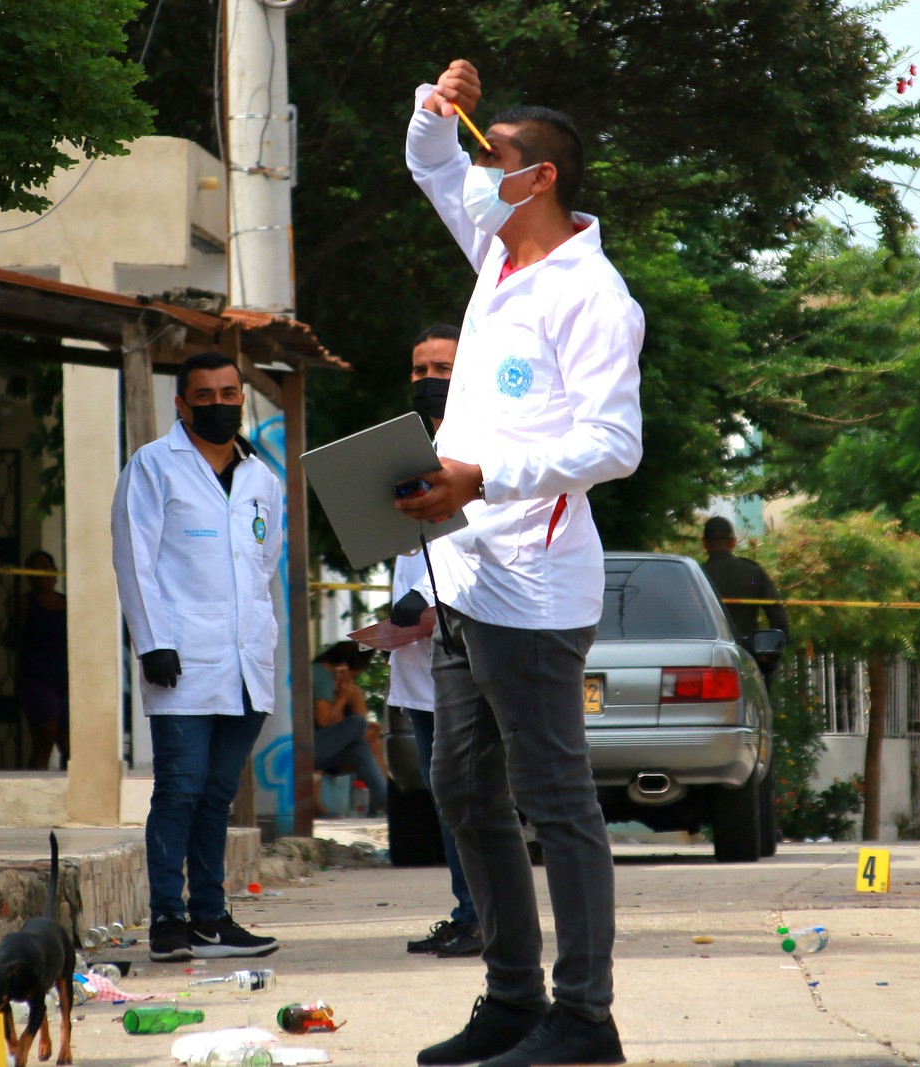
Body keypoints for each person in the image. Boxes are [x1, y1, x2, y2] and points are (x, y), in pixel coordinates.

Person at [394, 59, 644, 1067]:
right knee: (459, 786)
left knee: (554, 798)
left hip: (533, 585)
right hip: (463, 571)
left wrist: (483, 474)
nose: (472, 165)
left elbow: (614, 443)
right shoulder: (494, 250)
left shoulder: (593, 293)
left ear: (536, 177)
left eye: (489, 151)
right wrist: (433, 102)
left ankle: (584, 1018)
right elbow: (426, 164)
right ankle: (510, 997)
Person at [111, 351, 283, 963]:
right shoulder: (153, 467)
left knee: (217, 795)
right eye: (203, 396)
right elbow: (135, 557)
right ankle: (168, 917)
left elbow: (262, 571)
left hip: (245, 665)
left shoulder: (263, 478)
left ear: (243, 399)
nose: (219, 405)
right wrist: (153, 639)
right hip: (179, 658)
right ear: (181, 404)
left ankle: (212, 917)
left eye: (229, 393)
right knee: (179, 789)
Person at [391, 323, 480, 959]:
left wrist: (428, 600)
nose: (429, 379)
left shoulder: (484, 446)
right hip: (416, 655)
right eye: (420, 369)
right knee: (444, 797)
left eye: (441, 368)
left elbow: (487, 544)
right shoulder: (400, 452)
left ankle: (485, 916)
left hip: (466, 648)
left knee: (471, 793)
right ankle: (465, 910)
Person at [700, 516, 789, 681]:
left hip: (707, 661)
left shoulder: (697, 576)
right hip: (749, 660)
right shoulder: (753, 572)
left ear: (705, 543)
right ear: (733, 542)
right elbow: (779, 618)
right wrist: (769, 659)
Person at [310, 641, 389, 815]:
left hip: (321, 749)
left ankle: (393, 807)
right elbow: (324, 721)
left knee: (360, 749)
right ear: (343, 667)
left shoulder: (328, 679)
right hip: (308, 749)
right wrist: (344, 698)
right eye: (353, 675)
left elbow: (335, 722)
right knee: (358, 724)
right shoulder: (322, 675)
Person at [15, 550, 69, 770]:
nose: (42, 574)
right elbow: (12, 639)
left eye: (46, 568)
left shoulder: (68, 604)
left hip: (66, 679)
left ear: (56, 573)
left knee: (71, 745)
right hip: (37, 678)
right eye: (36, 570)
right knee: (45, 739)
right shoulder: (25, 603)